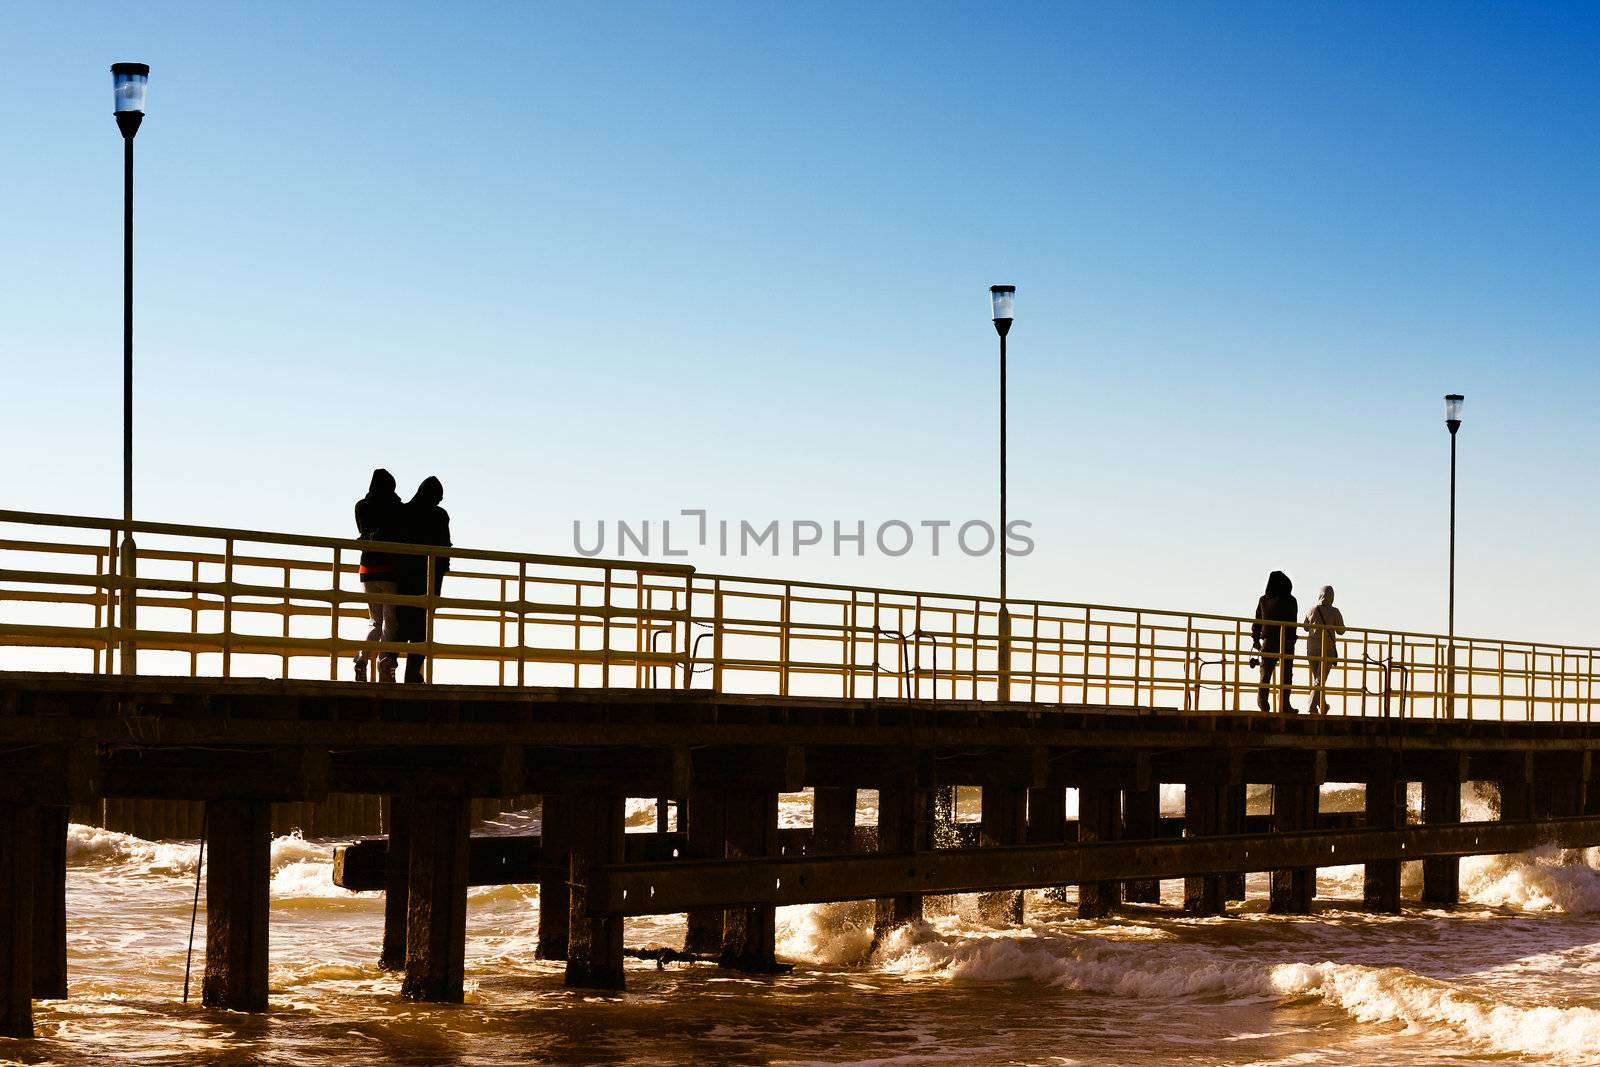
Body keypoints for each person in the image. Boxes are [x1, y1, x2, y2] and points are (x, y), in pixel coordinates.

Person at [395, 475, 452, 684]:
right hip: (430, 578)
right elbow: (445, 546)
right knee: (422, 628)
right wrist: (443, 570)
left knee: (401, 623)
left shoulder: (405, 511)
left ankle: (389, 665)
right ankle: (412, 674)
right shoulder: (439, 515)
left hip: (406, 576)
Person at [353, 469, 403, 683]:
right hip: (389, 569)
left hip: (366, 569)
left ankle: (362, 660)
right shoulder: (396, 507)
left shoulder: (361, 506)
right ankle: (385, 664)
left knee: (374, 622)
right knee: (390, 621)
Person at [1251, 570, 1299, 713]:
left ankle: (1263, 703)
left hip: (1268, 640)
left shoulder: (1263, 600)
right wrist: (1292, 639)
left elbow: (1257, 621)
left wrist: (1255, 639)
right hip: (1286, 641)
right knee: (1286, 674)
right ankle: (1285, 705)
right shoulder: (1291, 600)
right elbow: (1293, 621)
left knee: (1265, 673)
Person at [1302, 585, 1346, 714]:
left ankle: (1323, 705)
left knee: (1318, 678)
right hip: (1327, 650)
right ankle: (1311, 705)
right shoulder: (1335, 611)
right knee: (1320, 679)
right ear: (1332, 597)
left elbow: (1304, 627)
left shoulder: (1312, 609)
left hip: (1311, 649)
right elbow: (1341, 631)